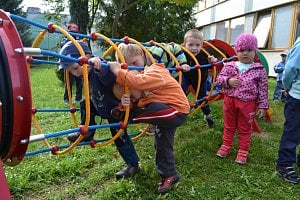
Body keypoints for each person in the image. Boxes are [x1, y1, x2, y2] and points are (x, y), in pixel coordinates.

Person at [106, 43, 190, 194]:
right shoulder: (140, 78)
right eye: (128, 66)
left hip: (176, 110)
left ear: (142, 55)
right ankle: (169, 174)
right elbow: (137, 97)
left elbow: (138, 82)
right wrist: (125, 105)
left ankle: (129, 118)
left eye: (135, 63)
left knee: (152, 110)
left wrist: (118, 70)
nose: (133, 68)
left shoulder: (155, 71)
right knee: (162, 145)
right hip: (164, 115)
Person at [59, 40, 140, 180]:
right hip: (100, 105)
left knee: (120, 139)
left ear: (88, 57)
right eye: (70, 70)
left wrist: (99, 65)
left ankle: (133, 165)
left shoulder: (99, 67)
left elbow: (108, 77)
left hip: (114, 110)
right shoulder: (86, 72)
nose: (74, 72)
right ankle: (88, 131)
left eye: (75, 68)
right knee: (85, 103)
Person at [216, 33, 269, 164]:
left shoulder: (259, 69)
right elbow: (219, 79)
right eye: (242, 50)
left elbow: (263, 89)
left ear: (255, 51)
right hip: (229, 101)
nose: (245, 53)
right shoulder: (229, 66)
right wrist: (228, 81)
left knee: (245, 128)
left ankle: (243, 150)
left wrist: (263, 106)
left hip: (247, 104)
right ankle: (226, 145)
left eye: (249, 50)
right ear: (236, 51)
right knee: (229, 125)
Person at [276, 2, 300, 184]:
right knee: (292, 130)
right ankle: (284, 163)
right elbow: (290, 68)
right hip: (297, 96)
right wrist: (287, 86)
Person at [181, 29, 216, 128]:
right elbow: (176, 62)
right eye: (190, 45)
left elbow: (212, 65)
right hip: (187, 77)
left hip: (202, 80)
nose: (194, 48)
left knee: (202, 99)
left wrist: (212, 61)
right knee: (180, 91)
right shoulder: (182, 54)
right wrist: (182, 65)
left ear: (202, 45)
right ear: (184, 45)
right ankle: (179, 111)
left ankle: (208, 115)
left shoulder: (204, 55)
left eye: (197, 45)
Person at [61, 23, 83, 104]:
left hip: (78, 64)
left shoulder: (79, 42)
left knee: (79, 82)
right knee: (68, 82)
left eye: (75, 33)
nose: (73, 36)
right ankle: (67, 98)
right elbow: (63, 48)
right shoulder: (65, 41)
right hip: (69, 65)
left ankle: (78, 98)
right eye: (71, 33)